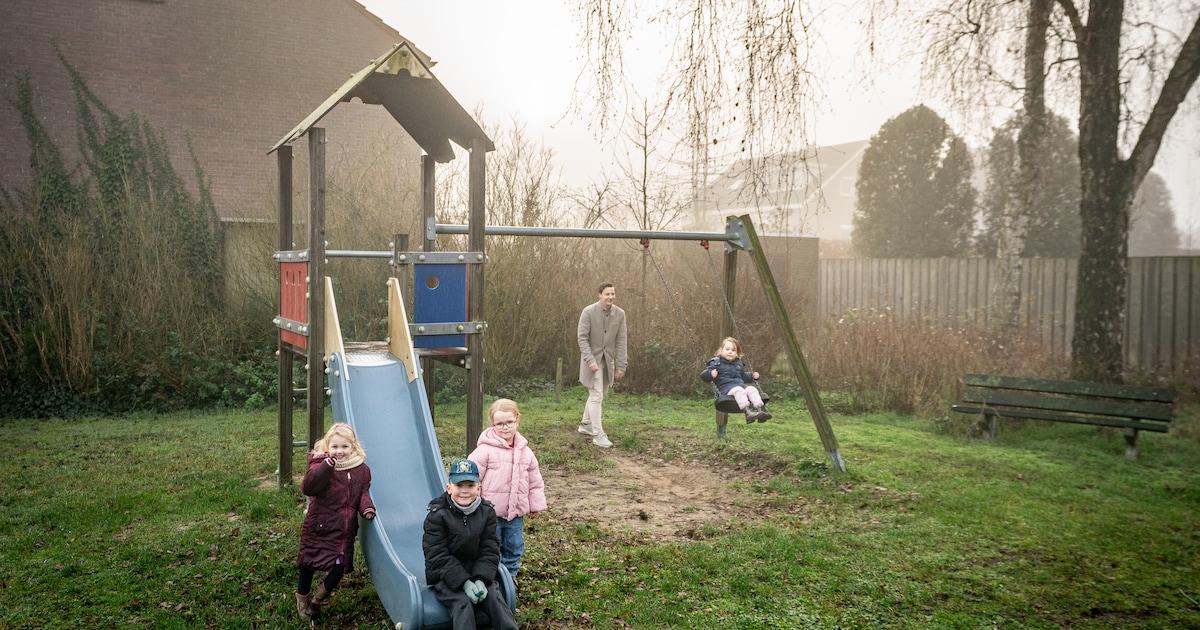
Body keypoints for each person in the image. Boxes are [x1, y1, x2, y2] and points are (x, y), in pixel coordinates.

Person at [423, 459, 520, 630]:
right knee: (462, 602)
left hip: (476, 569)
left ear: (479, 488)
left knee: (493, 598)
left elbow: (490, 549)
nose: (465, 491)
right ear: (449, 488)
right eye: (459, 485)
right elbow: (436, 555)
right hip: (446, 575)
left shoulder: (487, 512)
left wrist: (481, 578)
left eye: (470, 485)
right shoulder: (437, 515)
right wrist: (464, 582)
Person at [294, 422, 376, 624]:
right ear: (327, 447)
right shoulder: (320, 465)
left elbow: (363, 493)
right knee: (308, 565)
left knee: (339, 568)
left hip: (343, 530)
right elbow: (308, 487)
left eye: (345, 447)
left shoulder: (362, 470)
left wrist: (367, 508)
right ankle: (302, 603)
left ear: (353, 447)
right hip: (319, 526)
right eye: (335, 447)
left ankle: (317, 600)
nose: (340, 452)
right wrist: (326, 467)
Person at [469, 398, 547, 579]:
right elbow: (472, 478)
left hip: (515, 513)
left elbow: (535, 480)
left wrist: (534, 505)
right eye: (500, 423)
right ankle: (492, 577)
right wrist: (473, 505)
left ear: (517, 421)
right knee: (491, 545)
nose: (505, 427)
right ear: (493, 424)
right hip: (489, 513)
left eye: (509, 422)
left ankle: (510, 577)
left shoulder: (525, 452)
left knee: (514, 544)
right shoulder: (485, 451)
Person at [576, 282, 627, 447]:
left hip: (608, 362)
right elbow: (582, 338)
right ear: (600, 295)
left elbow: (621, 340)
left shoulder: (620, 314)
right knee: (597, 396)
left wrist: (621, 365)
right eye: (607, 294)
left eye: (613, 294)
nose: (610, 297)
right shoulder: (588, 312)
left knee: (599, 395)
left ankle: (586, 424)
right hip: (592, 361)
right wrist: (590, 360)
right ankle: (598, 434)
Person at [701, 337, 773, 423]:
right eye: (727, 349)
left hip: (740, 386)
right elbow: (704, 376)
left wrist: (752, 376)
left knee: (751, 389)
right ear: (721, 350)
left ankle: (760, 409)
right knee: (739, 390)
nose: (730, 351)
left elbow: (743, 376)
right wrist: (711, 374)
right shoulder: (716, 363)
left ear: (737, 353)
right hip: (726, 389)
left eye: (733, 350)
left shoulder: (738, 363)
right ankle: (748, 411)